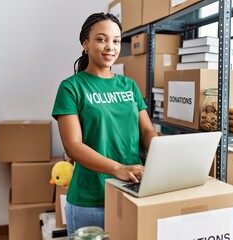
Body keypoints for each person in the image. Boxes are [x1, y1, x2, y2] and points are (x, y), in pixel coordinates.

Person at [51, 12, 157, 236]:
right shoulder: (71, 87)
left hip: (132, 191)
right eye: (102, 39)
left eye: (116, 41)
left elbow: (147, 129)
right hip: (90, 201)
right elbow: (73, 146)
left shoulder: (129, 86)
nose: (111, 47)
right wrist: (118, 169)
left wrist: (163, 152)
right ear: (85, 44)